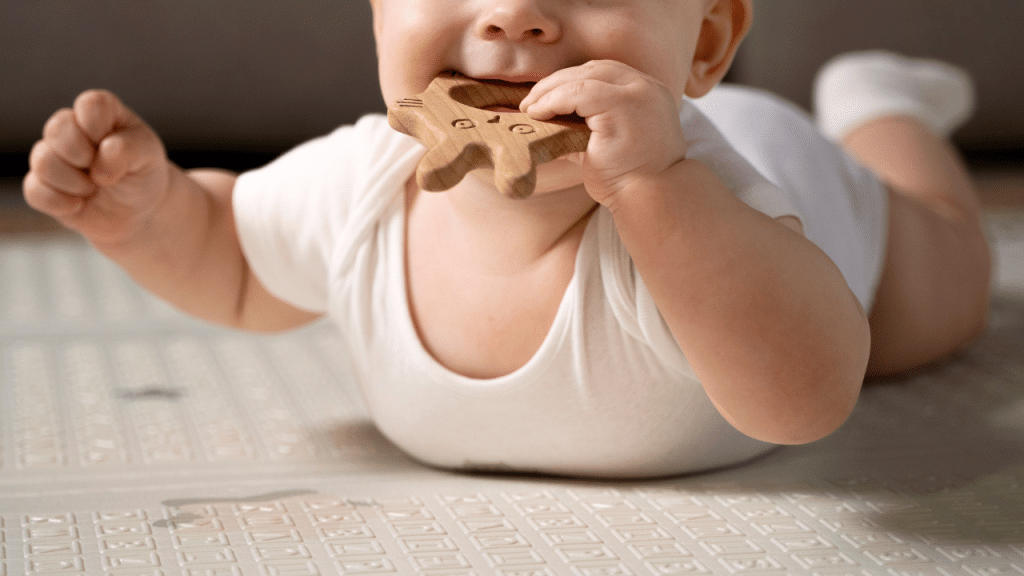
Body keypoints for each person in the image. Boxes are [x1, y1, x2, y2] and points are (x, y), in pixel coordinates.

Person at [23, 0, 990, 478]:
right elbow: (235, 260)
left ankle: (880, 106)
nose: (517, 15)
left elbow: (809, 396)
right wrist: (147, 217)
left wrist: (657, 188)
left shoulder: (703, 196)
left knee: (946, 290)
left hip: (814, 197)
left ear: (702, 41)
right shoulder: (362, 184)